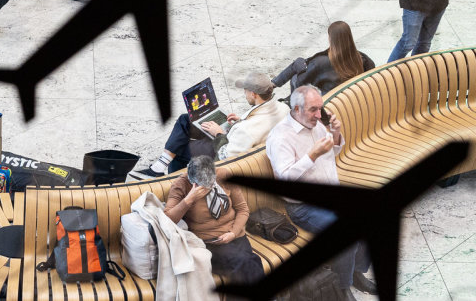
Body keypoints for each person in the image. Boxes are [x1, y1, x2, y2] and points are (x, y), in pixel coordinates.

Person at [266, 85, 377, 296]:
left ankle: (356, 273)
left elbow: (332, 153)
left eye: (320, 108)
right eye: (313, 110)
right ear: (297, 109)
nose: (319, 115)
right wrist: (311, 156)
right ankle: (342, 288)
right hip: (303, 207)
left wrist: (336, 134)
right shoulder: (280, 138)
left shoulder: (315, 124)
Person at [134, 73, 290, 178]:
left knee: (181, 148)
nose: (244, 93)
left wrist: (218, 133)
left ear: (254, 94)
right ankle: (159, 167)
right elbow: (258, 125)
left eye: (246, 90)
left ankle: (165, 177)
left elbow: (225, 158)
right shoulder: (282, 108)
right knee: (185, 119)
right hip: (240, 142)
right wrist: (240, 121)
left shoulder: (247, 130)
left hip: (224, 154)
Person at [164, 156, 265, 285]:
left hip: (235, 235)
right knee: (248, 262)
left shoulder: (223, 175)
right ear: (192, 180)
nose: (208, 189)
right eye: (203, 186)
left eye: (212, 184)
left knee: (247, 263)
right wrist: (189, 200)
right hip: (209, 243)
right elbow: (167, 219)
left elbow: (243, 209)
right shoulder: (181, 185)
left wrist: (233, 233)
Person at [299, 21, 375, 93]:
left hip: (331, 104)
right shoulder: (363, 60)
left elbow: (302, 83)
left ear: (331, 39)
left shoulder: (322, 62)